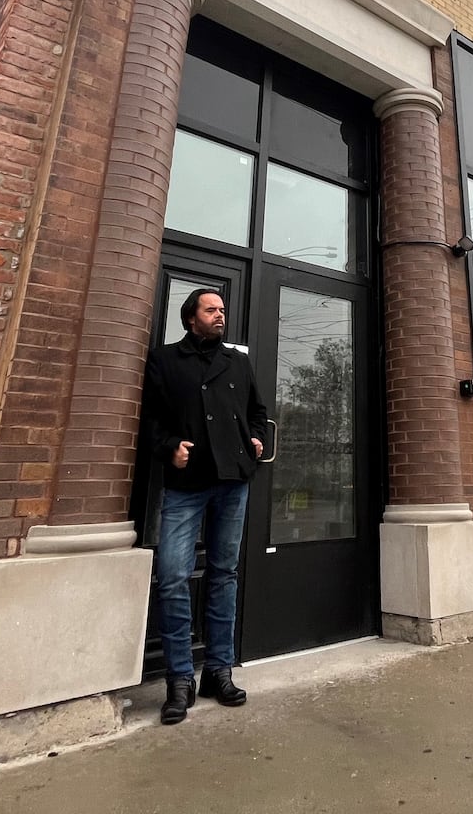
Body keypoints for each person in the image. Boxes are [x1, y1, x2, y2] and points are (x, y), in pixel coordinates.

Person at [142, 287, 267, 725]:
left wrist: (257, 439)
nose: (220, 315)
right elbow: (151, 422)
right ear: (190, 317)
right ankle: (179, 679)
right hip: (187, 483)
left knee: (223, 574)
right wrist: (170, 447)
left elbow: (257, 410)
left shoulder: (238, 361)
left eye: (222, 309)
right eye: (211, 309)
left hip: (233, 481)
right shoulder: (165, 360)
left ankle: (218, 670)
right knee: (173, 574)